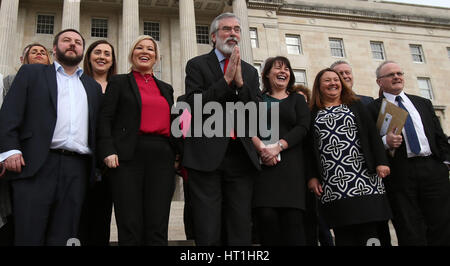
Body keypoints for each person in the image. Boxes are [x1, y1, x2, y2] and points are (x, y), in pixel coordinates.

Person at [0, 29, 102, 245]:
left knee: (65, 235)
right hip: (37, 164)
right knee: (29, 234)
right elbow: (10, 113)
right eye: (66, 40)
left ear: (82, 50)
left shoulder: (92, 87)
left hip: (77, 169)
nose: (72, 44)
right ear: (54, 49)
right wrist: (10, 149)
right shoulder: (31, 73)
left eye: (77, 42)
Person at [180, 12, 261, 246]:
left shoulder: (250, 71)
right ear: (214, 36)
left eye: (237, 29)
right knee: (208, 225)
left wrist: (241, 84)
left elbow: (254, 111)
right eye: (227, 29)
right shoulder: (196, 65)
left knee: (240, 224)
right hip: (206, 155)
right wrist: (225, 82)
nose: (233, 33)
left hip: (241, 156)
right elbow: (194, 104)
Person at [97, 35, 176, 246]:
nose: (145, 52)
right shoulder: (119, 82)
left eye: (150, 49)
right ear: (132, 54)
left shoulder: (166, 88)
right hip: (127, 156)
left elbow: (175, 123)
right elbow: (105, 117)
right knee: (129, 222)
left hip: (162, 156)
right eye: (139, 48)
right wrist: (107, 149)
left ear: (156, 57)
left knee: (158, 223)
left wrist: (178, 155)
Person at [368, 61, 450, 245]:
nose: (396, 77)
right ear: (380, 82)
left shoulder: (422, 103)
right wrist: (385, 142)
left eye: (399, 73)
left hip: (432, 169)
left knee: (441, 223)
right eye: (391, 75)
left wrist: (445, 163)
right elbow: (369, 142)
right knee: (409, 226)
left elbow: (439, 136)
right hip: (400, 172)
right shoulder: (372, 109)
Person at [307, 68, 392, 246]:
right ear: (319, 86)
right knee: (344, 232)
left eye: (336, 79)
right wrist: (312, 177)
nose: (333, 83)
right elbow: (308, 149)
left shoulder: (355, 104)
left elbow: (372, 135)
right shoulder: (312, 112)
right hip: (334, 183)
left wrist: (381, 162)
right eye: (327, 80)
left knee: (370, 230)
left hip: (365, 178)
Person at [331, 60, 392, 246]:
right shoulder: (326, 105)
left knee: (376, 227)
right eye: (340, 73)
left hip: (372, 174)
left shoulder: (368, 103)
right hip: (343, 178)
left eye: (348, 72)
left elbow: (379, 135)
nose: (345, 75)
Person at [251, 56, 310, 246]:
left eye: (287, 69)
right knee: (266, 218)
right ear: (267, 73)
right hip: (263, 169)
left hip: (291, 169)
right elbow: (246, 127)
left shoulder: (297, 100)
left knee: (293, 221)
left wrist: (278, 147)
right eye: (278, 68)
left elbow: (303, 127)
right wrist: (262, 149)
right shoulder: (257, 99)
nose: (283, 71)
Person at [78, 40, 117, 246]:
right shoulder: (78, 82)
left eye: (107, 54)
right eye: (97, 52)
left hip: (109, 161)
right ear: (89, 56)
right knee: (78, 217)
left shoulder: (118, 85)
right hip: (81, 157)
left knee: (102, 217)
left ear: (112, 61)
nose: (102, 57)